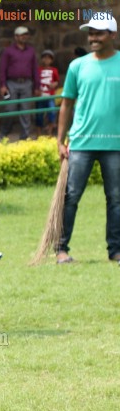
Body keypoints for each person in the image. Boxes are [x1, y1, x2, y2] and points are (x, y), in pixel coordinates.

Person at [55, 15, 120, 266]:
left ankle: (115, 250)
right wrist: (60, 140)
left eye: (99, 33)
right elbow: (67, 104)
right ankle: (61, 248)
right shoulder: (77, 66)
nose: (93, 38)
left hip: (115, 144)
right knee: (70, 196)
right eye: (91, 33)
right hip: (81, 143)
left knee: (115, 198)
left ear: (112, 35)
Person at [0, 26, 40, 140]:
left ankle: (25, 136)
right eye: (21, 35)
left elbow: (34, 69)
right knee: (9, 109)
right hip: (11, 83)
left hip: (26, 83)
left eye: (25, 34)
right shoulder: (8, 51)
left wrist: (37, 86)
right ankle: (4, 133)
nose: (24, 37)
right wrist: (2, 85)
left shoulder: (31, 51)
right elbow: (2, 68)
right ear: (16, 37)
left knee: (25, 110)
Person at [36, 49, 59, 136]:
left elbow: (57, 81)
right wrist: (36, 89)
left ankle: (49, 131)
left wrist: (54, 84)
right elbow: (36, 81)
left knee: (52, 112)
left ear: (52, 60)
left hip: (50, 95)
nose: (46, 60)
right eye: (44, 58)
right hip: (40, 96)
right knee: (39, 114)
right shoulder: (38, 70)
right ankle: (38, 133)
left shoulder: (54, 70)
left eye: (49, 58)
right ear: (42, 59)